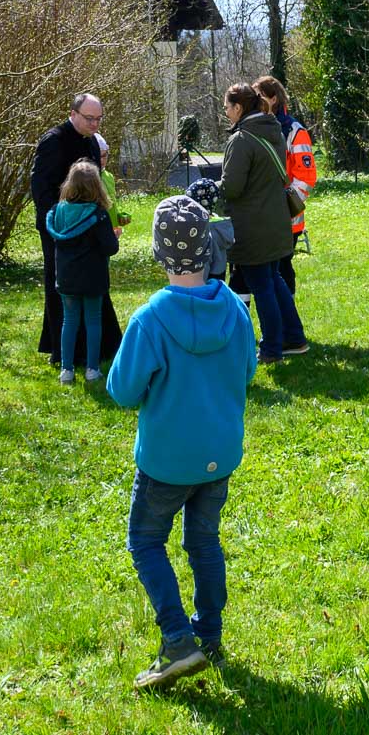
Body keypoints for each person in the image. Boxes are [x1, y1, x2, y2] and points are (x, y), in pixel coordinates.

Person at [107, 195, 258, 690]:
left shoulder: (150, 320)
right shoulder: (234, 308)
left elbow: (122, 390)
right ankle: (209, 636)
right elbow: (248, 370)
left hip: (167, 461)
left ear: (159, 253)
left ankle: (178, 639)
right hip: (218, 454)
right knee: (204, 541)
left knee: (145, 540)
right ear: (208, 247)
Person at [218, 82, 308, 364]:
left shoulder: (242, 139)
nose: (226, 112)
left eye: (227, 107)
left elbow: (232, 187)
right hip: (276, 222)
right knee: (273, 280)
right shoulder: (275, 130)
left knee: (263, 287)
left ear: (239, 108)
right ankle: (294, 337)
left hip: (252, 226)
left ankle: (271, 348)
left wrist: (213, 187)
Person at [31, 93, 122, 368]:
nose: (95, 124)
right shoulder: (54, 141)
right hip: (60, 230)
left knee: (93, 282)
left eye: (99, 119)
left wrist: (100, 220)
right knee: (63, 286)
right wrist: (61, 222)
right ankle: (63, 352)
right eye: (89, 118)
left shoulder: (92, 142)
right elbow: (41, 189)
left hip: (91, 227)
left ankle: (101, 347)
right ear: (73, 114)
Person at [45, 160, 121, 384]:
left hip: (67, 276)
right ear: (97, 186)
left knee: (69, 321)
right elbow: (110, 248)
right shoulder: (98, 215)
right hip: (92, 277)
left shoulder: (58, 211)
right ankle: (92, 369)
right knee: (93, 321)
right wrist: (114, 237)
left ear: (69, 184)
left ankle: (66, 370)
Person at [252, 76, 315, 294]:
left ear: (274, 98)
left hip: (287, 218)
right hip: (263, 215)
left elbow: (306, 177)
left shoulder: (294, 131)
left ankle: (288, 309)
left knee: (282, 266)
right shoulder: (256, 127)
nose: (256, 101)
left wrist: (283, 205)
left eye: (259, 96)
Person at [185, 178, 234, 287]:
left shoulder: (202, 230)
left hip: (204, 278)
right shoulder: (220, 224)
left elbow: (205, 262)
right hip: (219, 276)